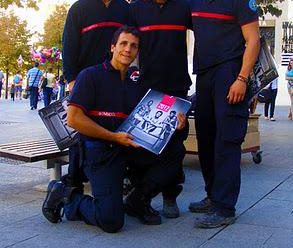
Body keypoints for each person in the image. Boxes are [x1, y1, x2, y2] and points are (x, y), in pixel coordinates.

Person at [42, 26, 186, 232]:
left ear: (137, 52)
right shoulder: (90, 76)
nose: (128, 49)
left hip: (126, 147)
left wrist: (175, 125)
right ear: (112, 47)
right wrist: (112, 137)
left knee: (175, 151)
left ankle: (137, 200)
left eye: (134, 46)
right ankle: (67, 197)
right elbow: (74, 119)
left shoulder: (137, 85)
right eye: (123, 44)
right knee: (111, 221)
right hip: (99, 151)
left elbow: (151, 122)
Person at [188, 0, 260, 228]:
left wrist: (241, 78)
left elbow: (253, 41)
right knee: (205, 138)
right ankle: (211, 194)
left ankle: (224, 207)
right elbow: (168, 10)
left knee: (227, 141)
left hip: (230, 74)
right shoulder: (195, 0)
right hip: (204, 75)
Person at [130, 0, 192, 218]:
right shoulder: (137, 8)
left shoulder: (184, 7)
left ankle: (170, 196)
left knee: (175, 145)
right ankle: (142, 196)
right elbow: (127, 44)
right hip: (147, 90)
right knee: (145, 145)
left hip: (176, 89)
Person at [61, 0, 130, 189]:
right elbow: (69, 47)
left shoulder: (124, 8)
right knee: (79, 133)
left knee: (110, 128)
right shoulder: (79, 9)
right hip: (85, 81)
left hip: (113, 81)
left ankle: (113, 174)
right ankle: (73, 183)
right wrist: (71, 79)